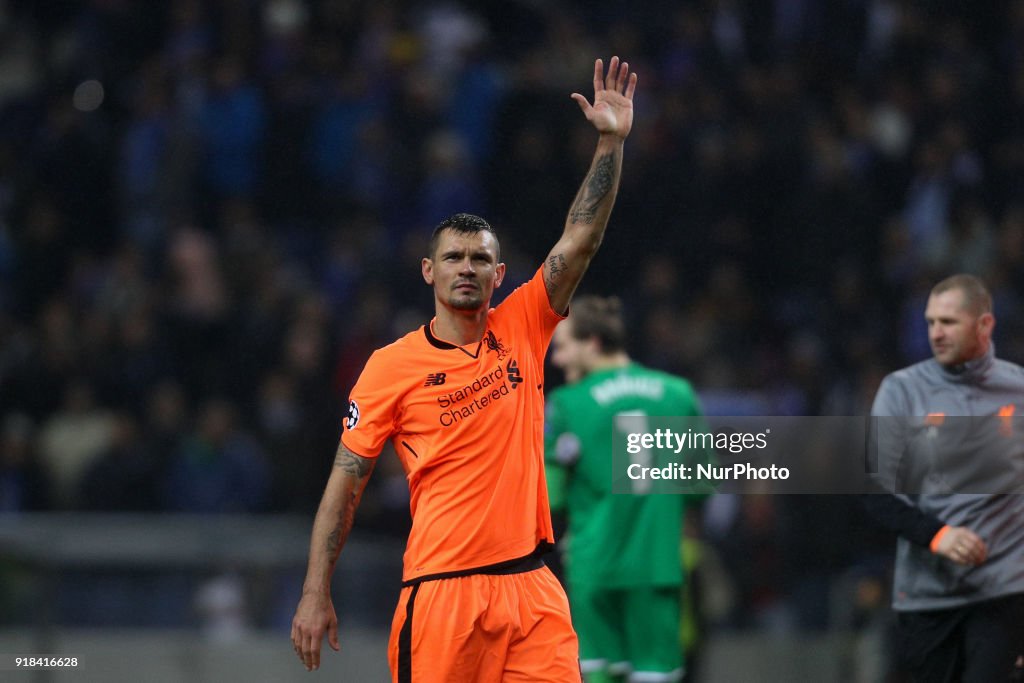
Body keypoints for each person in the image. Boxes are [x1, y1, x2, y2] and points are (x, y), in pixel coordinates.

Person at [291, 56, 637, 682]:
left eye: (481, 258)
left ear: (499, 275)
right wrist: (316, 589)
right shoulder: (389, 367)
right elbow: (345, 483)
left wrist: (610, 142)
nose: (467, 267)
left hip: (532, 590)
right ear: (430, 271)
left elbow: (580, 239)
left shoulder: (524, 323)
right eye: (453, 257)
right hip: (443, 593)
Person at [545, 296, 715, 683]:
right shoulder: (678, 395)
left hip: (593, 568)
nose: (557, 359)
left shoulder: (567, 404)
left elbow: (550, 498)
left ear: (592, 343)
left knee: (602, 675)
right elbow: (702, 487)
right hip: (657, 565)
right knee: (656, 674)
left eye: (563, 347)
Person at [864, 274, 1024, 682]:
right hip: (926, 596)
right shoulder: (902, 390)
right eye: (930, 322)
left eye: (948, 322)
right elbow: (873, 490)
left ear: (985, 324)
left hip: (1003, 594)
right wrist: (938, 535)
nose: (936, 333)